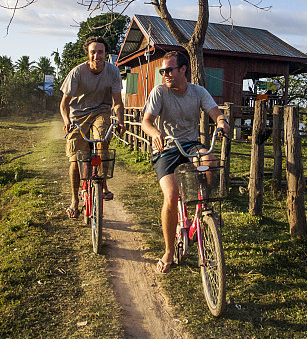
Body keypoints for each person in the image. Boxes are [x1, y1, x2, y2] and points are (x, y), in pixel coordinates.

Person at [141, 50, 230, 274]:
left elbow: (215, 112)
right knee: (171, 196)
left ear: (183, 70)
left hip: (190, 145)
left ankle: (205, 207)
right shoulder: (159, 92)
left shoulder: (198, 92)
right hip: (166, 148)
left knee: (210, 161)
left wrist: (221, 122)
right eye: (163, 71)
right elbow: (146, 122)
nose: (165, 74)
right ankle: (169, 250)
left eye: (170, 70)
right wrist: (154, 133)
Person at [60, 36, 125, 219]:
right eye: (93, 52)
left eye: (100, 52)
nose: (97, 56)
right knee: (74, 159)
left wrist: (121, 122)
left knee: (102, 141)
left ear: (106, 54)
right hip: (78, 115)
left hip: (101, 111)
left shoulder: (113, 71)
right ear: (88, 54)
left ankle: (103, 185)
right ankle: (74, 201)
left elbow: (117, 102)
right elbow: (64, 103)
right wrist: (66, 120)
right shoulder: (77, 72)